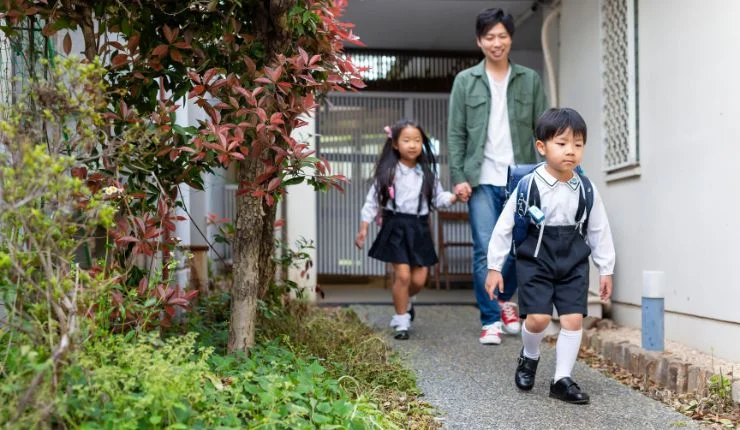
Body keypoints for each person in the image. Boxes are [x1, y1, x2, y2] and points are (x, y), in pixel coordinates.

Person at [485, 108, 615, 404]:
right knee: (539, 320)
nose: (571, 151)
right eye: (562, 143)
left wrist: (605, 268)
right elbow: (504, 227)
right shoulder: (528, 185)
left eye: (578, 144)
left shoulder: (585, 188)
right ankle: (530, 355)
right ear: (542, 147)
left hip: (573, 260)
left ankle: (561, 379)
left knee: (572, 321)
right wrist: (495, 267)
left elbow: (599, 229)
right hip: (535, 258)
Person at [447, 7, 548, 345]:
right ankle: (490, 318)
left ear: (510, 39)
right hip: (480, 180)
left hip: (520, 178)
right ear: (479, 41)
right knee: (485, 250)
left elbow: (544, 131)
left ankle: (505, 299)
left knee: (522, 247)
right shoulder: (465, 82)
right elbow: (456, 134)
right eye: (489, 37)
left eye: (502, 35)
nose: (496, 42)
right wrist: (459, 175)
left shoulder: (529, 80)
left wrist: (553, 171)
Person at [355, 119, 457, 340]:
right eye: (407, 140)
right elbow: (371, 201)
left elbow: (439, 199)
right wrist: (363, 228)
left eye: (417, 140)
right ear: (395, 144)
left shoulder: (428, 174)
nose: (412, 145)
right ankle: (401, 321)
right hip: (395, 225)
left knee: (418, 280)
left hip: (419, 227)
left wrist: (454, 196)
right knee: (402, 275)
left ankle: (405, 300)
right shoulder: (388, 173)